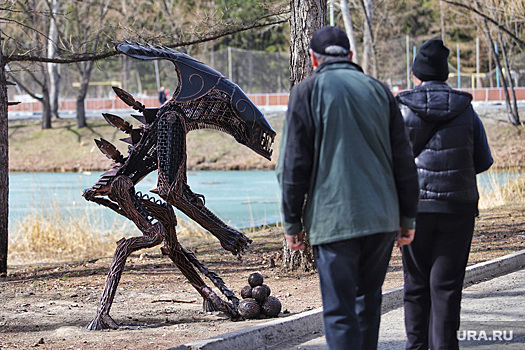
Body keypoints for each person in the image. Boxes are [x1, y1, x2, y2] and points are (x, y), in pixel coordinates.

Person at [276, 26, 419, 350]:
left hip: (333, 220)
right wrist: (408, 217)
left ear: (313, 59)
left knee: (340, 313)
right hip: (381, 220)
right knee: (367, 307)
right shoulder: (380, 91)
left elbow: (293, 166)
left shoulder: (306, 92)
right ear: (351, 56)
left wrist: (292, 223)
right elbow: (403, 160)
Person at [396, 38, 493, 350]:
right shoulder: (467, 110)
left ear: (417, 74)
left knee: (415, 286)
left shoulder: (402, 110)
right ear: (446, 74)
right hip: (458, 209)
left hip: (414, 210)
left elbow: (389, 162)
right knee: (447, 288)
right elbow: (483, 161)